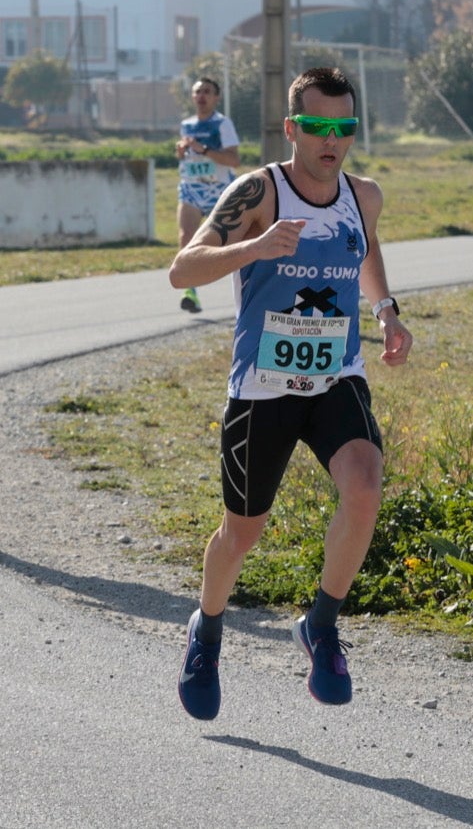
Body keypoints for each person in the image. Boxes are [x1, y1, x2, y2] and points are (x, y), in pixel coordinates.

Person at [168, 67, 413, 721]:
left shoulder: (364, 196)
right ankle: (206, 632)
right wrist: (254, 246)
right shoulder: (258, 191)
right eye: (317, 126)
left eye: (343, 127)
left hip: (336, 375)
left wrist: (386, 311)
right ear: (291, 129)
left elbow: (364, 249)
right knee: (240, 535)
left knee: (365, 487)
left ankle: (321, 625)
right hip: (262, 388)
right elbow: (182, 270)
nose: (331, 140)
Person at [173, 76, 240, 313]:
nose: (201, 96)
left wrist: (204, 149)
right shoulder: (187, 125)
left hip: (218, 191)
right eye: (197, 91)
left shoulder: (222, 124)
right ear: (192, 97)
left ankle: (247, 291)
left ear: (216, 97)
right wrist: (181, 152)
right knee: (186, 237)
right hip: (191, 188)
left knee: (230, 243)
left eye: (207, 91)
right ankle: (190, 292)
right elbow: (186, 158)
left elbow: (234, 159)